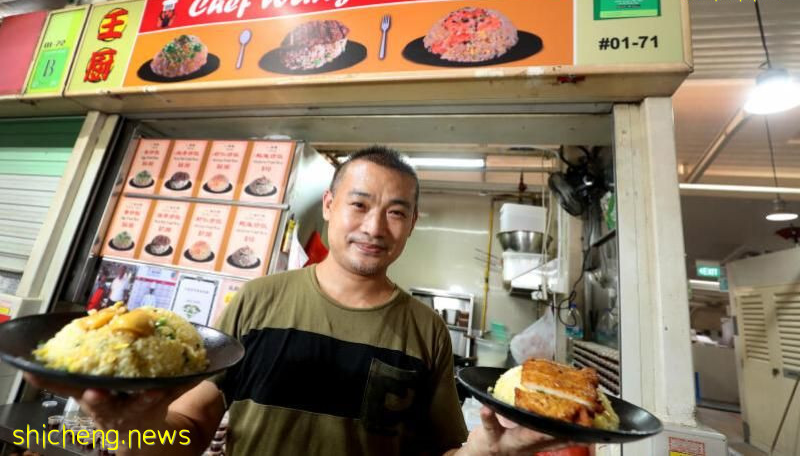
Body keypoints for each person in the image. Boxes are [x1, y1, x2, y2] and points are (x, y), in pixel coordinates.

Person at [27, 146, 569, 455]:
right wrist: (131, 427)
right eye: (359, 205)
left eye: (396, 212)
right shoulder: (257, 300)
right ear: (330, 205)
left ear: (412, 224)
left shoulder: (425, 330)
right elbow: (191, 425)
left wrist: (488, 452)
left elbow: (440, 451)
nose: (374, 227)